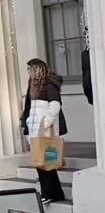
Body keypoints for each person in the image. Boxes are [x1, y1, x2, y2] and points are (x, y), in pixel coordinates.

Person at [20, 58, 66, 204]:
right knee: (43, 163)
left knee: (46, 163)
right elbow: (30, 109)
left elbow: (55, 106)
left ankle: (50, 192)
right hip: (36, 131)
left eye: (30, 69)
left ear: (37, 69)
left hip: (46, 132)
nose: (28, 72)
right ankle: (54, 193)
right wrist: (29, 124)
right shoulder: (32, 85)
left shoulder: (48, 85)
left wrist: (43, 124)